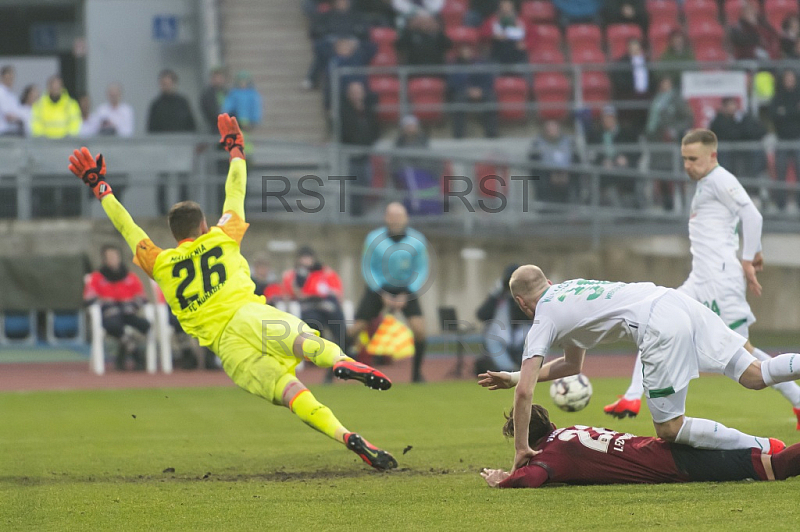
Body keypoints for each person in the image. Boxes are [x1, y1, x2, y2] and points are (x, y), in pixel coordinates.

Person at [67, 114, 397, 471]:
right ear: (204, 225)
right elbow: (235, 189)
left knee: (289, 392)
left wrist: (100, 187)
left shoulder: (159, 263)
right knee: (302, 340)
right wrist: (236, 150)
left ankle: (346, 436)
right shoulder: (222, 236)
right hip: (250, 315)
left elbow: (127, 227)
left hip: (228, 346)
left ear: (175, 234)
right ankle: (339, 362)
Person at [483, 264, 800, 473]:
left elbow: (527, 392)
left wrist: (522, 448)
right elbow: (571, 364)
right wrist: (514, 377)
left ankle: (762, 447)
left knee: (670, 429)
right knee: (756, 375)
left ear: (522, 303)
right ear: (549, 283)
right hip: (675, 300)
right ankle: (766, 444)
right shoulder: (570, 291)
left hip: (657, 326)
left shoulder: (543, 320)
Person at [604, 129, 800, 426]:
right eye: (684, 159)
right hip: (701, 278)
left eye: (693, 159)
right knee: (653, 319)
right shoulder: (706, 184)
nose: (687, 165)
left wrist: (750, 256)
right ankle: (632, 395)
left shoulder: (720, 179)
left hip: (720, 279)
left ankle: (798, 401)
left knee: (747, 357)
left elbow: (753, 216)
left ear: (713, 156)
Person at [480, 403, 800, 488]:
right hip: (662, 446)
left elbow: (534, 477)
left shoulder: (551, 454)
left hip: (673, 463)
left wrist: (504, 480)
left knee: (775, 468)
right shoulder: (566, 433)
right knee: (767, 458)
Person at [348, 202, 429, 382]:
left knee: (420, 330)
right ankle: (333, 371)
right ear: (386, 218)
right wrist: (381, 293)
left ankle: (416, 375)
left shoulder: (417, 240)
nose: (396, 220)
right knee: (355, 329)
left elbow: (421, 269)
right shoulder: (373, 239)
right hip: (379, 287)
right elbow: (367, 267)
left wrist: (407, 293)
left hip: (405, 288)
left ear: (406, 218)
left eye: (399, 216)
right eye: (392, 216)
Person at [83, 245, 151, 371]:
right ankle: (134, 351)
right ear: (104, 260)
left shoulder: (130, 277)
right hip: (110, 314)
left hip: (128, 313)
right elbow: (89, 298)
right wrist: (107, 302)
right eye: (109, 257)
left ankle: (124, 353)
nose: (112, 260)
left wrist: (129, 304)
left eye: (114, 256)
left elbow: (142, 297)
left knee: (145, 324)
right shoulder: (97, 278)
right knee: (113, 325)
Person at [281, 246, 347, 350]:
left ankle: (342, 348)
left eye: (308, 258)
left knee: (336, 316)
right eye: (304, 258)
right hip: (306, 307)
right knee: (314, 321)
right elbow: (294, 293)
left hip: (324, 305)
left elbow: (336, 290)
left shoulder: (324, 272)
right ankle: (318, 351)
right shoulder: (293, 274)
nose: (306, 261)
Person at [475, 264, 527, 372]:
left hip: (521, 335)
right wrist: (495, 294)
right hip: (500, 336)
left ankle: (527, 367)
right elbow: (481, 315)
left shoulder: (525, 296)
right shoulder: (499, 297)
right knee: (492, 339)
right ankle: (508, 369)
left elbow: (530, 316)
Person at [447, 44, 498, 139]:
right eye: (464, 51)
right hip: (462, 91)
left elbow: (488, 78)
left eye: (469, 51)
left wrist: (481, 89)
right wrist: (467, 90)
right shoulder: (455, 64)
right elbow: (453, 82)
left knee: (491, 100)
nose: (467, 53)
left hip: (481, 90)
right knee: (458, 103)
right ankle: (458, 136)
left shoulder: (481, 63)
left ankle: (492, 134)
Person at [769, 69, 800, 213]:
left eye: (791, 78)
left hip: (798, 140)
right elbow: (774, 115)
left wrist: (785, 112)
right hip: (781, 140)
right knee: (780, 173)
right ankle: (780, 205)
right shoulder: (778, 97)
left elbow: (782, 114)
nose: (789, 81)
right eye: (787, 78)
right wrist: (794, 111)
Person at [528, 120, 578, 205]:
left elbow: (576, 160)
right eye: (549, 130)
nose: (552, 132)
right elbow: (534, 163)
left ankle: (573, 206)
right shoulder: (538, 144)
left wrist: (565, 172)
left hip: (567, 174)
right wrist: (551, 174)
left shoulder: (569, 143)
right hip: (546, 176)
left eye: (554, 129)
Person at [479, 0, 527, 65]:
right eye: (503, 5)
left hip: (517, 53)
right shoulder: (492, 20)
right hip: (497, 51)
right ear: (500, 6)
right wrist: (494, 36)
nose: (505, 8)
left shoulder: (521, 20)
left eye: (507, 5)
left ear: (512, 6)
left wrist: (525, 44)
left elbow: (532, 36)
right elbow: (483, 34)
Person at [200, 68, 228, 134]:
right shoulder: (207, 94)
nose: (218, 80)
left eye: (220, 78)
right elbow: (208, 110)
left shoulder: (228, 93)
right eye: (216, 78)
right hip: (214, 127)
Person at [0, 65, 25, 136]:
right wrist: (23, 118)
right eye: (8, 77)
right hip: (3, 132)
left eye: (12, 77)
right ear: (2, 77)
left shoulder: (12, 95)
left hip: (11, 132)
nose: (10, 80)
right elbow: (8, 116)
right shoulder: (1, 93)